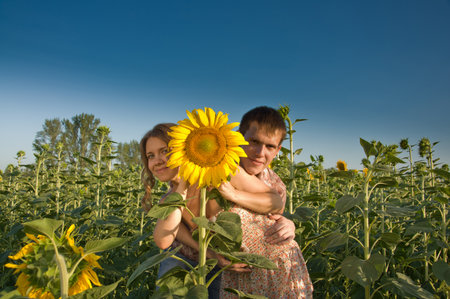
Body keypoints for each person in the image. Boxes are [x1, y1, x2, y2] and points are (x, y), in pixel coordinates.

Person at [139, 123, 292, 298]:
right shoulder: (170, 199)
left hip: (258, 265)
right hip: (204, 261)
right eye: (150, 156)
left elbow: (276, 202)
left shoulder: (221, 172)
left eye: (165, 151)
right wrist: (181, 185)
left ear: (183, 148)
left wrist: (234, 194)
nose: (157, 160)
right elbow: (164, 240)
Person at [218, 106, 313, 298]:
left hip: (286, 276)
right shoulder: (218, 168)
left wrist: (289, 225)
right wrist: (213, 255)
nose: (260, 152)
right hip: (239, 280)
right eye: (254, 141)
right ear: (239, 138)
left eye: (270, 146)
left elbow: (274, 216)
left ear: (278, 150)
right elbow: (189, 218)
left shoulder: (276, 184)